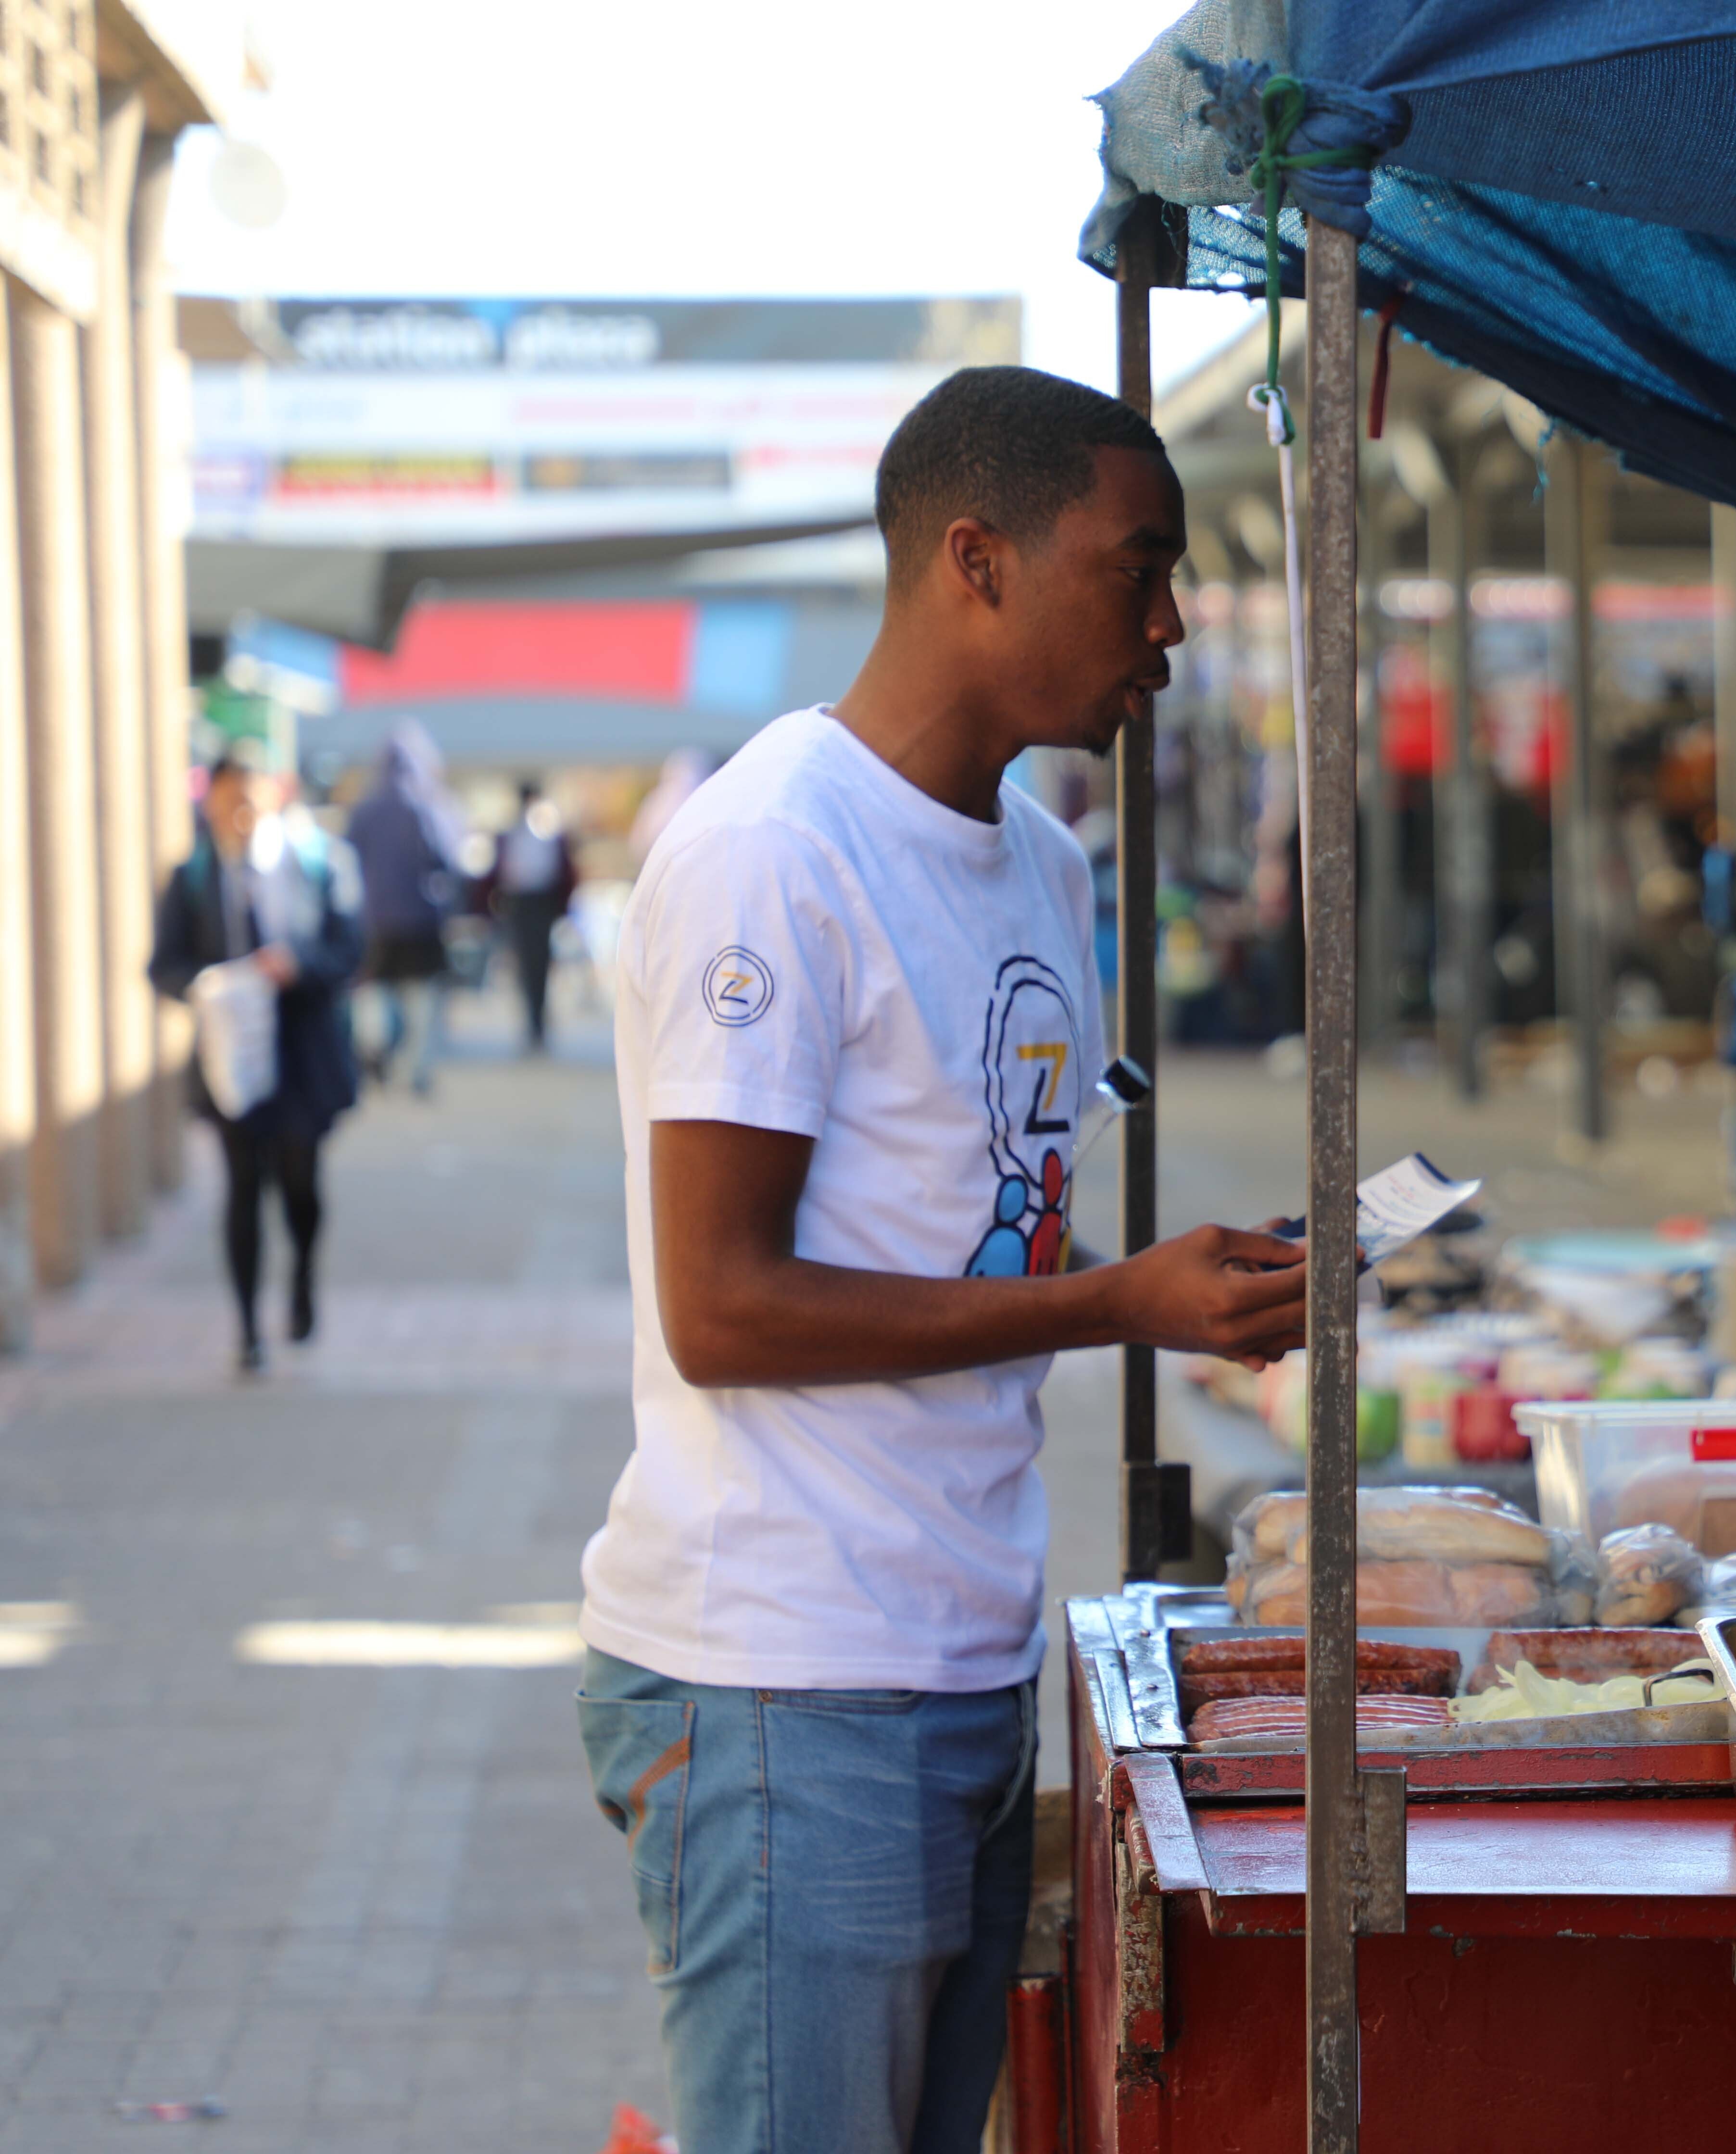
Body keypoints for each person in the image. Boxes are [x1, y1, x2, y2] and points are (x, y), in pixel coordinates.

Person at [573, 366, 1308, 2154]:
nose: (1171, 625)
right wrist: (1117, 1299)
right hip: (786, 1687)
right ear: (973, 558)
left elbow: (974, 1228)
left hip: (955, 1660)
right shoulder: (769, 855)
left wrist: (1173, 1284)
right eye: (1135, 569)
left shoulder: (1042, 869)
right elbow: (725, 1306)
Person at [149, 757, 363, 1373]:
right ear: (209, 805)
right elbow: (163, 966)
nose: (239, 818)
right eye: (226, 805)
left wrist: (298, 966)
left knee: (300, 1179)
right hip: (230, 1059)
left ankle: (301, 1277)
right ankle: (246, 1328)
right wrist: (213, 984)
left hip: (301, 1052)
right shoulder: (192, 875)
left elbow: (349, 946)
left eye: (249, 803)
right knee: (242, 1187)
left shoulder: (316, 863)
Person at [344, 721, 464, 1096]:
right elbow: (445, 860)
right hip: (419, 922)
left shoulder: (365, 809)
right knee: (421, 1004)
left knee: (379, 997)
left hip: (374, 922)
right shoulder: (426, 806)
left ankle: (378, 1056)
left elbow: (347, 861)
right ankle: (416, 1071)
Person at [489, 777, 575, 1052]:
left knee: (539, 965)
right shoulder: (513, 833)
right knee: (525, 966)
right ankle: (532, 1023)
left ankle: (538, 1024)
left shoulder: (546, 831)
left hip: (541, 902)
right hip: (520, 903)